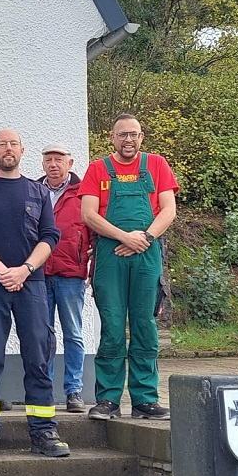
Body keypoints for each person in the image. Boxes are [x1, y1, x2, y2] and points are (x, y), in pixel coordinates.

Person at [0, 129, 69, 459]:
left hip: (31, 284)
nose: (8, 149)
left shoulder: (37, 191)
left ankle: (43, 430)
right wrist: (1, 270)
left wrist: (24, 269)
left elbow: (50, 235)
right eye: (2, 144)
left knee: (38, 356)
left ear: (22, 150)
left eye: (13, 144)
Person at [80, 115, 178, 421]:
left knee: (144, 325)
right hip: (110, 253)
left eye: (133, 135)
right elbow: (88, 214)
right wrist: (124, 237)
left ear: (142, 136)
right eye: (122, 135)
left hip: (147, 253)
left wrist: (145, 238)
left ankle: (145, 399)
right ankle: (108, 400)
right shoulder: (98, 169)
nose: (128, 140)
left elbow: (168, 209)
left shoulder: (157, 165)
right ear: (112, 137)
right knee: (111, 327)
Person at [39, 143, 92, 414]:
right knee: (43, 335)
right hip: (39, 274)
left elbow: (92, 230)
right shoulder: (34, 191)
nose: (53, 164)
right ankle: (44, 389)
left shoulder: (83, 193)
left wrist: (90, 266)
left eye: (59, 159)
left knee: (73, 333)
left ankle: (74, 391)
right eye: (48, 160)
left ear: (69, 163)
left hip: (71, 273)